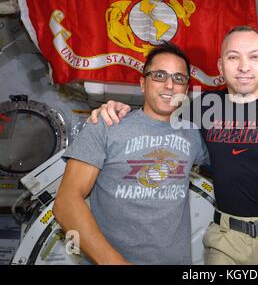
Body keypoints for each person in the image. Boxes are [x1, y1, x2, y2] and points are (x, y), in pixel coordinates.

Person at [90, 26, 258, 265]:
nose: (244, 66)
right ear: (220, 67)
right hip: (224, 243)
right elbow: (159, 120)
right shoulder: (203, 107)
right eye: (233, 57)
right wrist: (118, 110)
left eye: (254, 57)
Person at [53, 43, 209, 265]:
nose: (169, 84)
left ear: (186, 89)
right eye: (159, 75)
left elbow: (241, 161)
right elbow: (66, 202)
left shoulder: (194, 136)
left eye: (179, 78)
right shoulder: (106, 124)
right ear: (143, 83)